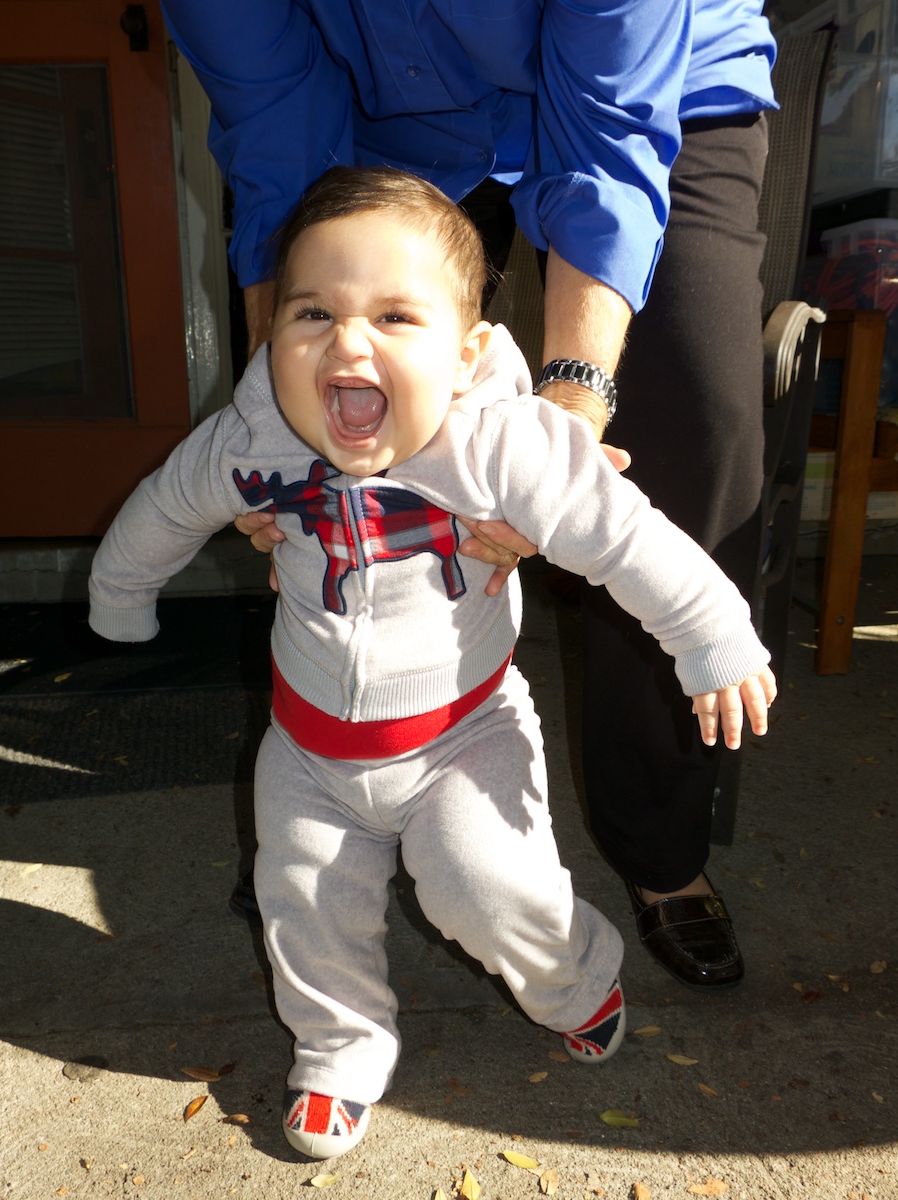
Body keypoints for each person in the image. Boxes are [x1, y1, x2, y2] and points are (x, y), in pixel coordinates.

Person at [88, 168, 775, 1159]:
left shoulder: (501, 445)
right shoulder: (252, 443)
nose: (347, 342)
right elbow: (166, 503)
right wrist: (120, 594)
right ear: (272, 337)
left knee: (489, 888)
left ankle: (575, 979)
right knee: (304, 904)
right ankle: (339, 1046)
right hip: (308, 753)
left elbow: (623, 535)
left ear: (466, 355)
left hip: (463, 736)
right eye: (313, 313)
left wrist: (711, 633)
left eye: (395, 316)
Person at [160, 0, 778, 988]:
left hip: (650, 94)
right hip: (388, 118)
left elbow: (606, 133)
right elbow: (277, 128)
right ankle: (337, 806)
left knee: (695, 424)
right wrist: (280, 419)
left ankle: (659, 844)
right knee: (355, 430)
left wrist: (568, 422)